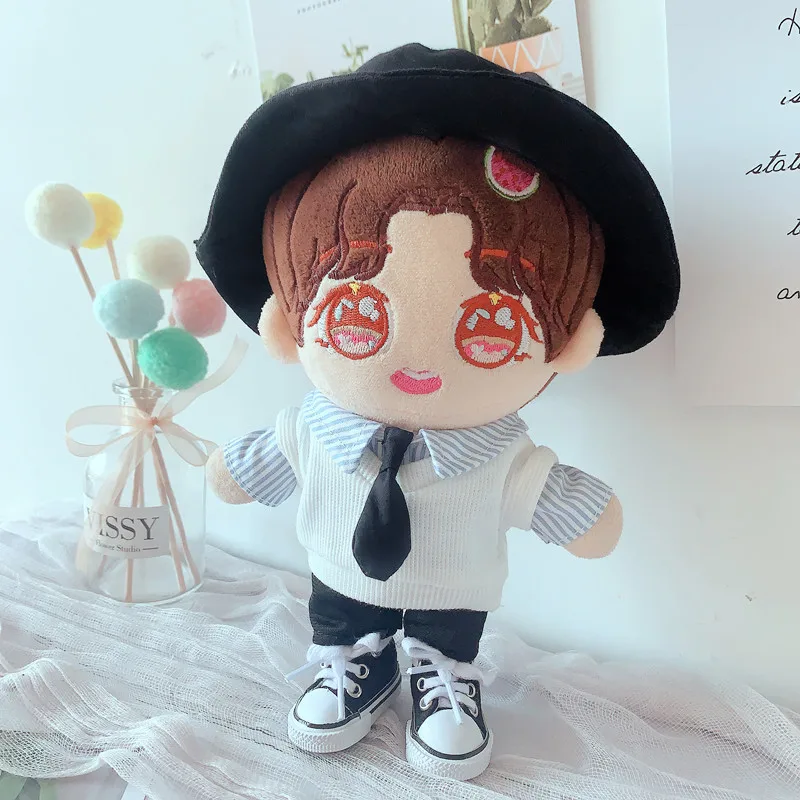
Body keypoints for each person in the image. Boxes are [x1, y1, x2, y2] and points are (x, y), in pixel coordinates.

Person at [197, 45, 679, 781]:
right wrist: (230, 471)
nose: (419, 366)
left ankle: (442, 675)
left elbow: (558, 500)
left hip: (457, 592)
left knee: (449, 630)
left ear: (569, 344)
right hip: (337, 577)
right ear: (286, 326)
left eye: (492, 327)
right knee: (340, 611)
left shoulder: (500, 457)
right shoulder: (310, 433)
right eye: (357, 315)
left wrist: (585, 514)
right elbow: (244, 469)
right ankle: (351, 662)